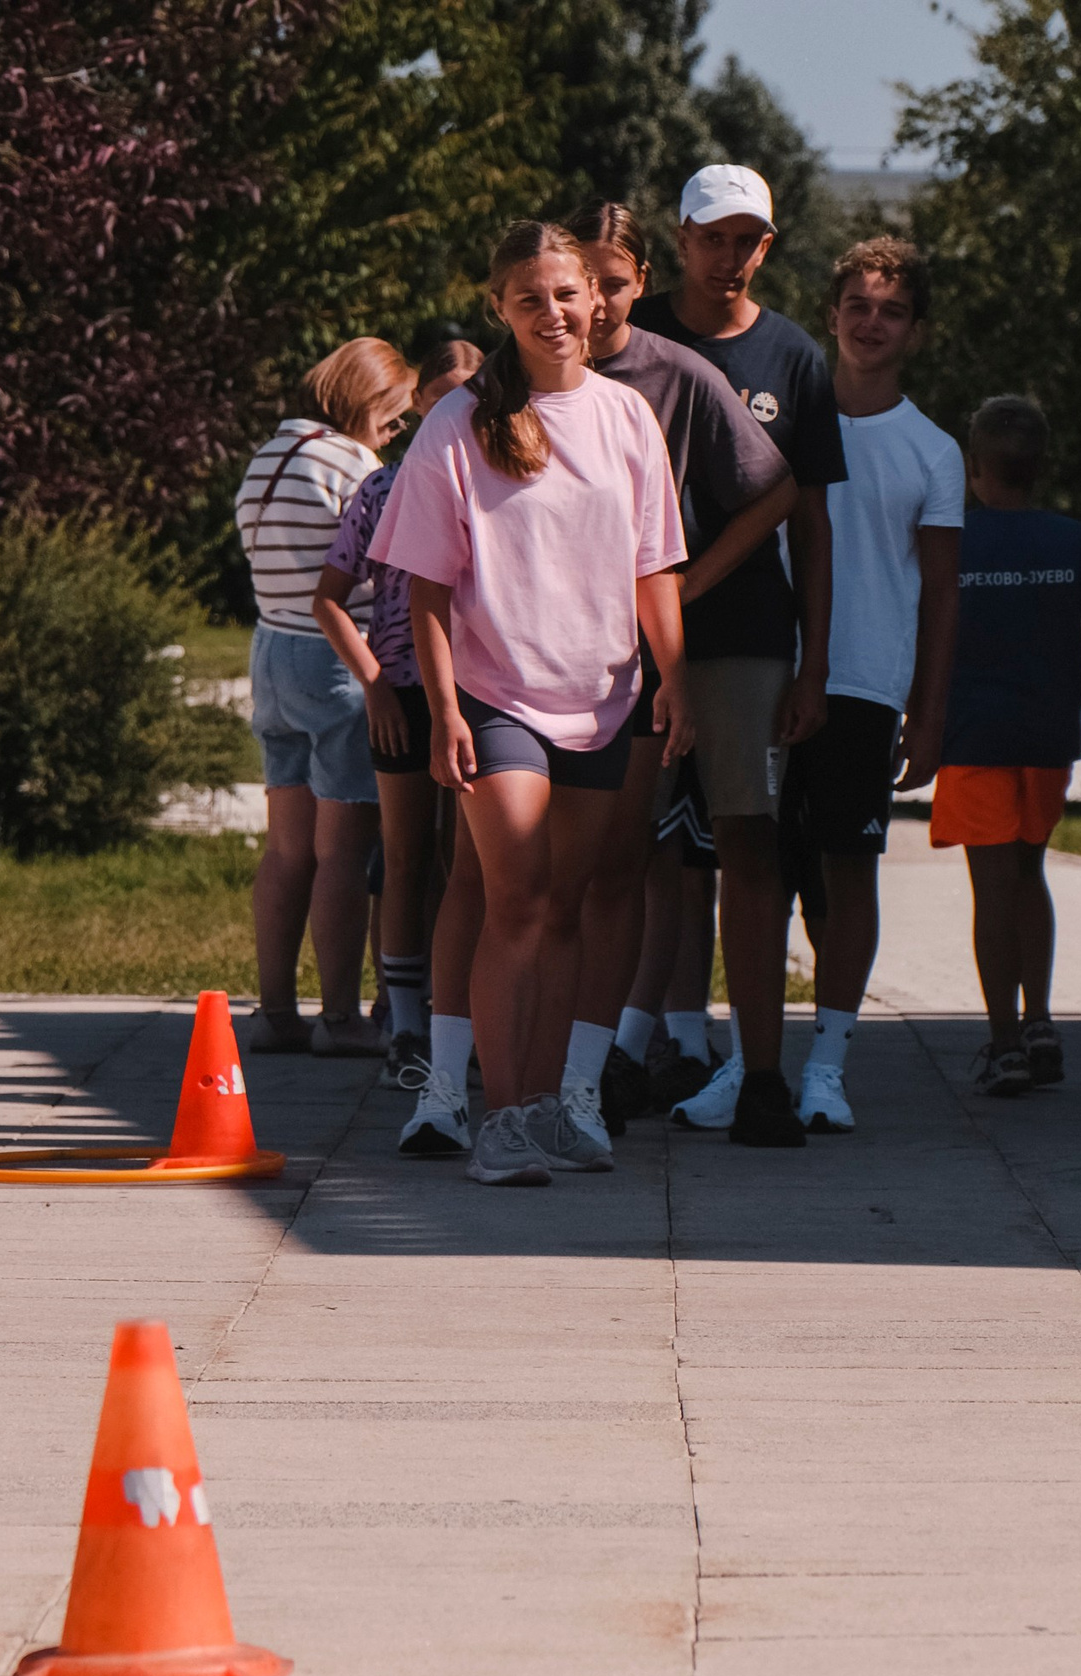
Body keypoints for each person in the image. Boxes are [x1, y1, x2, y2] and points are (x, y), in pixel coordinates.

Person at [370, 220, 691, 1184]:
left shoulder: (627, 416)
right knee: (514, 901)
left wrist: (678, 677)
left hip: (603, 698)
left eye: (567, 294)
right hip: (495, 697)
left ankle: (549, 1107)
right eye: (529, 299)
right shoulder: (457, 422)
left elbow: (655, 565)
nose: (552, 313)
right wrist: (445, 711)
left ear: (597, 299)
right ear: (499, 310)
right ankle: (498, 1118)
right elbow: (425, 588)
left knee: (565, 911)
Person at [561, 199, 794, 1152]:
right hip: (579, 653)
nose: (597, 303)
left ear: (640, 283)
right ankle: (585, 1063)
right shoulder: (529, 377)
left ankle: (755, 1071)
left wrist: (692, 581)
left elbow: (778, 490)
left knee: (720, 846)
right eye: (583, 285)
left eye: (615, 283)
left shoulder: (677, 375)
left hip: (706, 643)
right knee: (602, 864)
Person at [631, 164, 842, 1147]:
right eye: (713, 236)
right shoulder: (629, 339)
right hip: (618, 638)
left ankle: (762, 1076)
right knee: (626, 851)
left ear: (769, 243)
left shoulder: (793, 356)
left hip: (747, 634)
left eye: (747, 239)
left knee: (748, 841)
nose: (730, 255)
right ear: (678, 238)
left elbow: (811, 520)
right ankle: (608, 1059)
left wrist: (812, 665)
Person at [783, 236, 964, 1133]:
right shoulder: (780, 420)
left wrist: (927, 717)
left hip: (863, 685)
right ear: (833, 313)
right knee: (751, 874)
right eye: (858, 304)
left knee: (846, 876)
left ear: (916, 331)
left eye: (892, 310)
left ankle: (827, 1063)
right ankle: (742, 1061)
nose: (872, 322)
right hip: (764, 677)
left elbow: (940, 593)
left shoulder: (933, 450)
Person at [935, 396, 1081, 1095]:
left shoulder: (953, 540)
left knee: (989, 889)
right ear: (1041, 465)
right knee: (1030, 872)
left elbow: (924, 639)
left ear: (973, 467)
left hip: (975, 737)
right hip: (1047, 739)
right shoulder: (1070, 540)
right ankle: (1040, 1019)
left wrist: (914, 720)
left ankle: (1004, 1043)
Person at [312, 339, 484, 1100]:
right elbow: (329, 594)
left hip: (483, 693)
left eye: (468, 393)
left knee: (468, 863)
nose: (453, 407)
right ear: (419, 405)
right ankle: (405, 1027)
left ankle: (465, 1019)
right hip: (405, 692)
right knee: (407, 860)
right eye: (440, 394)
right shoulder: (382, 489)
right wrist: (375, 683)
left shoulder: (497, 477)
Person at [235, 339, 416, 1059]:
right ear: (367, 402)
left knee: (286, 848)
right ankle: (339, 1018)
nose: (396, 432)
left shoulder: (265, 457)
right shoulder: (353, 464)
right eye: (394, 417)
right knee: (344, 849)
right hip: (339, 659)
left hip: (270, 651)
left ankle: (275, 1007)